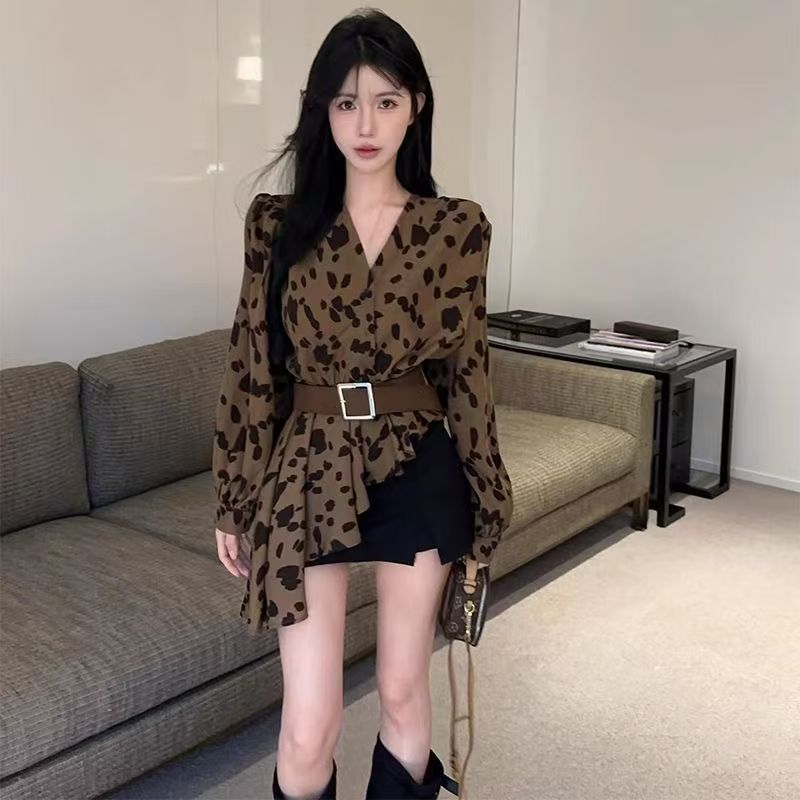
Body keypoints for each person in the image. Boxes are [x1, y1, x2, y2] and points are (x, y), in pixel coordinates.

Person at [212, 9, 513, 800]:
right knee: (307, 726)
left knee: (404, 691)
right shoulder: (277, 226)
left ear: (416, 105)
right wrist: (235, 495)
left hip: (417, 459)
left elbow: (469, 375)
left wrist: (489, 497)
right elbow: (251, 364)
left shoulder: (455, 229)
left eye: (385, 100)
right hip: (308, 465)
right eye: (346, 103)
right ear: (322, 111)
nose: (366, 124)